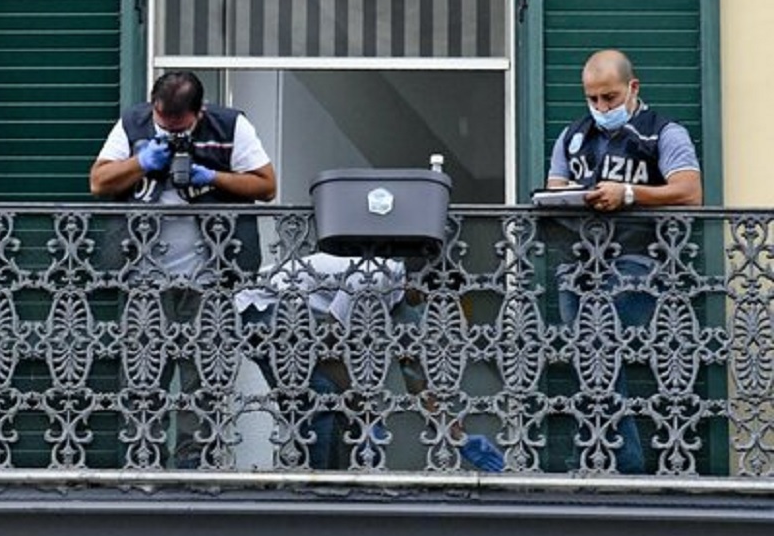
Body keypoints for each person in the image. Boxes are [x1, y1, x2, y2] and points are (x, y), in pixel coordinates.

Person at [90, 70, 276, 468]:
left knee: (204, 382)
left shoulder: (231, 126)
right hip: (143, 280)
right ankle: (144, 464)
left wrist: (212, 177)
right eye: (162, 120)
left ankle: (193, 468)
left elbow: (266, 185)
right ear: (153, 106)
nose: (169, 129)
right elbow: (99, 182)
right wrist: (141, 162)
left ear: (199, 112)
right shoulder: (132, 123)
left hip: (211, 278)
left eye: (179, 125)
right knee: (142, 378)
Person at [546, 49, 703, 473]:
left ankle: (623, 463)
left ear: (633, 88)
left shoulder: (663, 132)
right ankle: (610, 457)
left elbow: (689, 191)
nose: (601, 108)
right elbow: (554, 190)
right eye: (593, 99)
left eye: (610, 98)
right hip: (577, 268)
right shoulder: (571, 137)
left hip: (640, 263)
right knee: (591, 361)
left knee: (600, 345)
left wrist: (629, 194)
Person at [235, 253, 504, 472]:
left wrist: (458, 436)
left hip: (298, 317)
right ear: (416, 284)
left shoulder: (402, 308)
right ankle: (309, 488)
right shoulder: (376, 277)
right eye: (429, 300)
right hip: (262, 307)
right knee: (320, 396)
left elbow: (416, 383)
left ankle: (331, 482)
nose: (427, 309)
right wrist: (362, 405)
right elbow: (330, 351)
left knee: (335, 405)